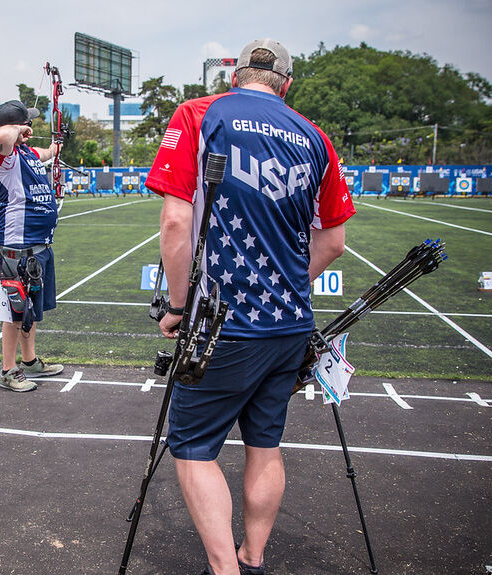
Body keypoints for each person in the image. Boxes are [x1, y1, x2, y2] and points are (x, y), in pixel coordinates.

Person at [145, 39, 355, 575]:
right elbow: (332, 243)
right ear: (286, 84)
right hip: (291, 324)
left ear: (235, 75)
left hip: (222, 322)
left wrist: (177, 304)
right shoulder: (314, 136)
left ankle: (225, 570)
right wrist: (286, 284)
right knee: (265, 445)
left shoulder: (200, 113)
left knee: (192, 448)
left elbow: (174, 223)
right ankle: (253, 555)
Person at [0, 100, 64, 392]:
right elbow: (0, 138)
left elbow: (50, 151)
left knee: (31, 308)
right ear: (14, 124)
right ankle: (8, 369)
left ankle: (29, 361)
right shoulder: (2, 157)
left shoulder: (27, 153)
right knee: (15, 310)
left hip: (39, 246)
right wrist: (17, 130)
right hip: (17, 247)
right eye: (25, 122)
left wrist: (57, 143)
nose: (30, 127)